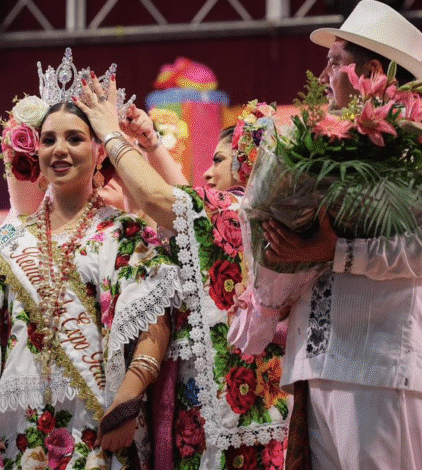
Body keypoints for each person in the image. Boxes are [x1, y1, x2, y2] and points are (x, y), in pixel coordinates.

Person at [0, 50, 184, 469]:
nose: (59, 150)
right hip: (15, 432)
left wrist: (127, 400)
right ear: (36, 152)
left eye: (75, 138)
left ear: (100, 152)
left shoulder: (123, 234)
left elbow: (153, 323)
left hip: (100, 426)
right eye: (49, 139)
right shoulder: (6, 241)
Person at [228, 1, 422, 469]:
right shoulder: (314, 154)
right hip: (315, 363)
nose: (324, 73)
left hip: (384, 367)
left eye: (336, 61)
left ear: (370, 71)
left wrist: (336, 251)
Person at [74, 74, 289, 468]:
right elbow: (189, 214)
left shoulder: (236, 213)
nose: (206, 174)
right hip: (243, 405)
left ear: (248, 163)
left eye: (219, 160)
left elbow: (162, 200)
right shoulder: (244, 218)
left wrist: (109, 133)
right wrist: (152, 144)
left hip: (217, 411)